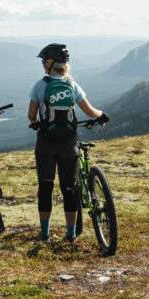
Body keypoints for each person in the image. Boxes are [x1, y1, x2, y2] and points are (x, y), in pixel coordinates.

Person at [28, 43, 109, 242]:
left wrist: (37, 123)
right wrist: (102, 115)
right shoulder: (72, 85)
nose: (42, 65)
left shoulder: (40, 85)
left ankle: (45, 234)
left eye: (43, 61)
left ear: (49, 63)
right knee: (69, 189)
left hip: (46, 144)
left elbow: (31, 116)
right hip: (68, 144)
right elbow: (90, 111)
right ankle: (71, 235)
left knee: (45, 188)